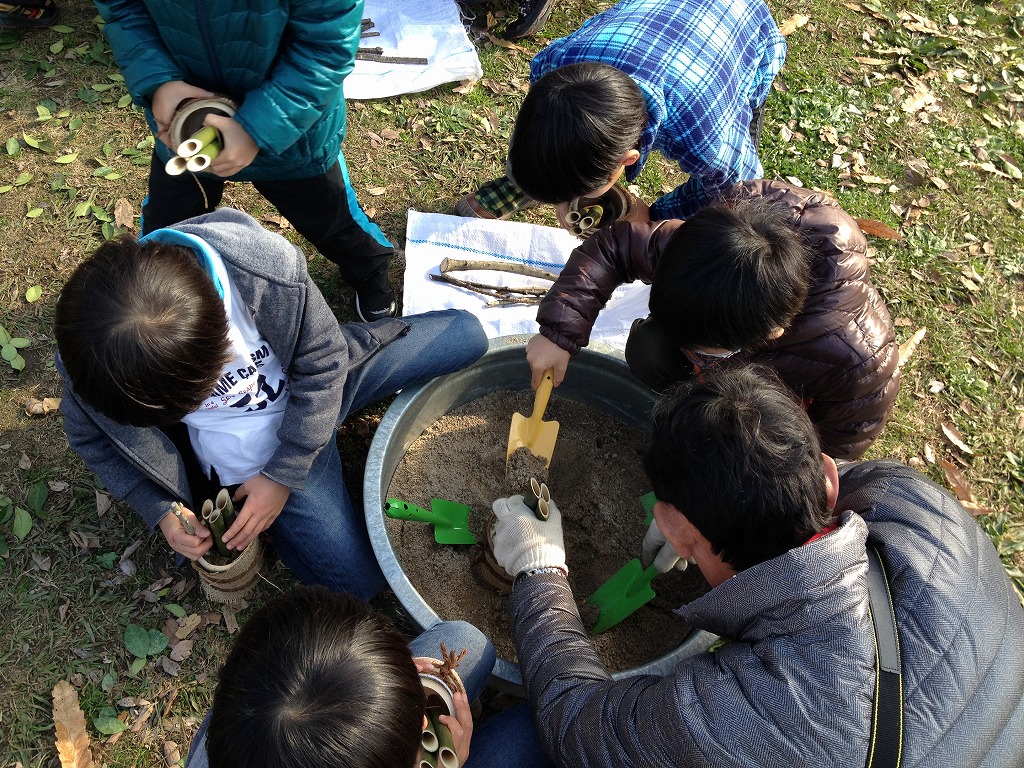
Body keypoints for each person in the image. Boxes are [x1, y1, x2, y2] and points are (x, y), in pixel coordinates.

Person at [489, 365, 1024, 767]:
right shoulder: (912, 497)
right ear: (827, 477)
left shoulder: (747, 714)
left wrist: (540, 569)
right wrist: (699, 526)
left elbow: (579, 725)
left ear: (675, 528)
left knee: (518, 739)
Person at [54, 208, 488, 599]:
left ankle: (296, 487)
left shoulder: (265, 272)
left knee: (469, 336)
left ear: (220, 342)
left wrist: (286, 471)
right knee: (360, 583)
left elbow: (323, 361)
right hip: (253, 464)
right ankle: (281, 522)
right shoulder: (93, 366)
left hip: (322, 387)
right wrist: (162, 508)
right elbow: (93, 441)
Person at [525, 179, 899, 460]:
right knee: (650, 349)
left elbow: (837, 446)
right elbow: (614, 247)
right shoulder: (709, 246)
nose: (694, 356)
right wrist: (559, 331)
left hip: (767, 403)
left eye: (703, 350)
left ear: (773, 331)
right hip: (736, 358)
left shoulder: (859, 362)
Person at [93, 0, 398, 322]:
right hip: (186, 124)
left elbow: (327, 46)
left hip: (293, 134)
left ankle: (369, 274)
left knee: (333, 224)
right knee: (168, 228)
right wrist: (159, 81)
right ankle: (161, 296)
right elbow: (123, 8)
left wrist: (257, 129)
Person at [456, 0, 786, 225]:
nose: (565, 209)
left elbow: (740, 187)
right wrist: (554, 182)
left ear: (628, 159)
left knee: (734, 204)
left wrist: (654, 217)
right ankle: (525, 186)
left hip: (744, 29)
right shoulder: (554, 64)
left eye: (570, 199)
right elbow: (543, 135)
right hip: (648, 20)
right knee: (548, 142)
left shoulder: (703, 136)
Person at [185, 585, 553, 768]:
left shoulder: (244, 716)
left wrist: (388, 676)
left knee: (466, 640)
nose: (424, 721)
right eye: (416, 731)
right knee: (539, 728)